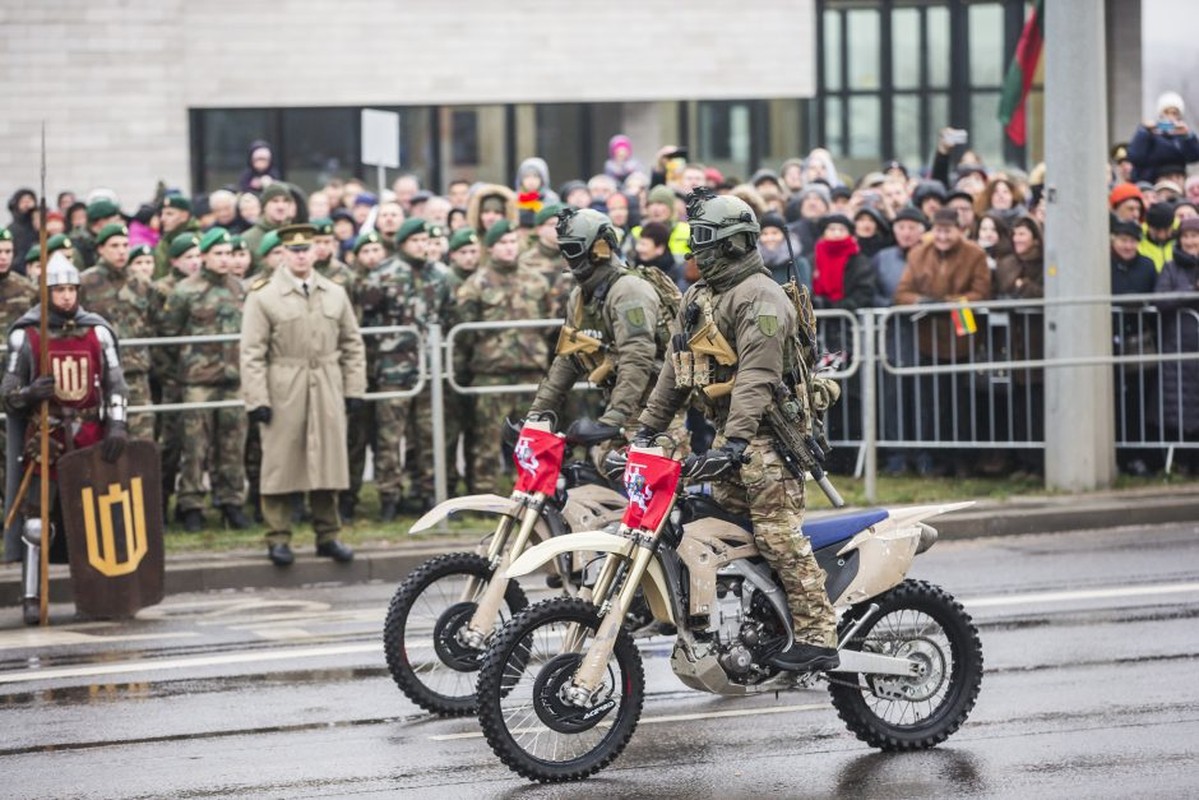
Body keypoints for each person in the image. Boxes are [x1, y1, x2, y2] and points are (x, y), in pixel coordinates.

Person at [635, 189, 839, 672]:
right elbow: (675, 369)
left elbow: (757, 377)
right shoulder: (701, 295)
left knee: (776, 536)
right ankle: (752, 623)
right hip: (732, 440)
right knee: (716, 534)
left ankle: (818, 633)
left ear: (731, 244)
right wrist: (644, 431)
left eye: (703, 240)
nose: (693, 251)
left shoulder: (761, 297)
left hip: (766, 438)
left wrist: (737, 444)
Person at [2, 253, 129, 624]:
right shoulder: (25, 335)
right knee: (37, 522)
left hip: (91, 435)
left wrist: (118, 424)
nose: (67, 297)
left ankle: (98, 594)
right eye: (59, 290)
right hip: (47, 438)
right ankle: (31, 596)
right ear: (47, 292)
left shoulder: (98, 331)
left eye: (72, 289)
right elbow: (7, 393)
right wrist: (28, 396)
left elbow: (116, 384)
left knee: (95, 518)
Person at [241, 223, 365, 566]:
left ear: (316, 251)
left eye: (305, 249)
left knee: (327, 463)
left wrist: (354, 388)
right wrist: (258, 400)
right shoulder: (263, 294)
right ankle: (278, 537)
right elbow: (252, 352)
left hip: (326, 382)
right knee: (281, 463)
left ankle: (329, 535)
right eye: (293, 250)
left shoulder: (334, 292)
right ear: (282, 254)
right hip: (283, 384)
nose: (300, 256)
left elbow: (352, 344)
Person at [527, 208, 668, 460]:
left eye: (572, 249)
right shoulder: (580, 296)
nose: (567, 258)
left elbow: (637, 355)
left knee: (653, 480)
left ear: (599, 247)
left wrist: (615, 416)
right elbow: (568, 357)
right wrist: (536, 414)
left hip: (656, 413)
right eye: (564, 250)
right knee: (602, 465)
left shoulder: (628, 291)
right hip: (622, 407)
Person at [160, 228, 250, 531]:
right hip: (197, 381)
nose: (225, 260)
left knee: (232, 445)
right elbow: (168, 336)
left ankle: (231, 502)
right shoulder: (185, 291)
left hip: (233, 380)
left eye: (229, 253)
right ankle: (191, 504)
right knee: (194, 447)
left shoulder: (241, 289)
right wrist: (184, 369)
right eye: (219, 254)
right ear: (205, 256)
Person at [893, 208, 992, 476]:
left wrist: (949, 303)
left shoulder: (975, 254)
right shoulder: (918, 254)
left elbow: (982, 292)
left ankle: (963, 460)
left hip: (964, 341)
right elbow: (902, 293)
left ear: (959, 230)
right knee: (933, 403)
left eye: (948, 230)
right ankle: (937, 460)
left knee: (963, 404)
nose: (943, 236)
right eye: (938, 230)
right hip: (929, 341)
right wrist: (923, 302)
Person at [455, 220, 551, 493]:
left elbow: (549, 323)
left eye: (512, 242)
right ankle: (485, 493)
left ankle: (532, 491)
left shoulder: (536, 280)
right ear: (490, 248)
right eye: (502, 243)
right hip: (492, 375)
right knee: (488, 439)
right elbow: (464, 334)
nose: (509, 248)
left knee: (532, 437)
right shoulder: (476, 284)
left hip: (531, 370)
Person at [78, 222, 156, 441]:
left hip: (135, 373)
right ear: (101, 249)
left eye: (125, 245)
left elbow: (154, 322)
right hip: (99, 375)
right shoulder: (85, 282)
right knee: (101, 439)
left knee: (142, 439)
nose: (122, 251)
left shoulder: (141, 283)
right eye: (114, 246)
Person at [1110, 218, 1160, 477]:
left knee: (1138, 399)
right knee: (1113, 401)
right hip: (1109, 341)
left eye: (1132, 241)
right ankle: (1117, 454)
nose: (1127, 246)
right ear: (1113, 240)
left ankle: (1138, 455)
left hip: (1139, 340)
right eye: (1123, 240)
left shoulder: (1147, 266)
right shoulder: (1104, 265)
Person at [1151, 216, 1199, 473]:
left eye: (1195, 236)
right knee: (1178, 405)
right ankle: (1180, 460)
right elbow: (1161, 300)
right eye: (1187, 236)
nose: (1191, 241)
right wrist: (1191, 293)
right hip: (1179, 344)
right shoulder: (1171, 268)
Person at [1126, 92, 1199, 183]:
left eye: (1174, 113)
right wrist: (1144, 131)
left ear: (1179, 116)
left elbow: (1194, 157)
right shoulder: (1150, 133)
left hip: (1176, 181)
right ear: (1160, 114)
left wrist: (1187, 136)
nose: (1170, 116)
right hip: (1152, 181)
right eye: (1166, 112)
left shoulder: (1181, 135)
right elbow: (1134, 156)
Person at [242, 183, 295, 272]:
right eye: (275, 201)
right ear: (264, 206)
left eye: (285, 201)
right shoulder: (248, 239)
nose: (281, 206)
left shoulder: (296, 235)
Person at [152, 194, 201, 278]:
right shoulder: (164, 242)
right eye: (162, 214)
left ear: (184, 216)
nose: (162, 219)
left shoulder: (198, 240)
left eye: (169, 214)